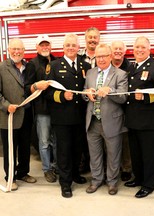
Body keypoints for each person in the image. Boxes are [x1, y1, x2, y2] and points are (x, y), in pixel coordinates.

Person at [45, 33, 91, 198]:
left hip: (80, 116)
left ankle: (74, 175)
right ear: (63, 48)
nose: (71, 48)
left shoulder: (85, 65)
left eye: (74, 45)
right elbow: (48, 93)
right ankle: (65, 183)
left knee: (77, 148)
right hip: (62, 117)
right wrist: (62, 96)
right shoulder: (54, 65)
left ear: (78, 47)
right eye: (68, 45)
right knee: (64, 150)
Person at [124, 36, 154, 198]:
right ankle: (139, 178)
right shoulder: (131, 67)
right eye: (137, 47)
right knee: (136, 153)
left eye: (143, 47)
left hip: (149, 121)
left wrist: (144, 97)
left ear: (149, 48)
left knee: (149, 155)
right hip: (133, 119)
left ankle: (148, 184)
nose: (139, 50)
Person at [84, 43, 128, 195]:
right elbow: (84, 93)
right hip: (93, 120)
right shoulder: (90, 73)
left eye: (104, 56)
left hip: (112, 121)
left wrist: (110, 90)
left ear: (110, 56)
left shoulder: (120, 74)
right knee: (94, 154)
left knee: (113, 154)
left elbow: (123, 98)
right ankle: (96, 180)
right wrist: (86, 93)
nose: (101, 59)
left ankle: (112, 182)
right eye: (98, 56)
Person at [0, 38, 37, 191]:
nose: (17, 52)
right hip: (9, 115)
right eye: (14, 49)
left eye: (19, 49)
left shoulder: (28, 67)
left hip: (27, 114)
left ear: (24, 51)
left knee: (24, 147)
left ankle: (22, 172)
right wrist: (7, 106)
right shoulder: (2, 67)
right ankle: (10, 177)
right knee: (10, 147)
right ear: (8, 50)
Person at [25, 34, 57, 183]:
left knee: (56, 140)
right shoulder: (32, 64)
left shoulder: (57, 61)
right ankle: (47, 169)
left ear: (51, 46)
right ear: (37, 47)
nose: (45, 47)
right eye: (42, 45)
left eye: (47, 45)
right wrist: (37, 85)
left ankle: (57, 166)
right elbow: (27, 87)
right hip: (42, 110)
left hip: (57, 109)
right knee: (44, 142)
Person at [77, 27, 100, 174]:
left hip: (99, 105)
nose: (92, 39)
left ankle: (98, 167)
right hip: (81, 103)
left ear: (99, 39)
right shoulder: (78, 58)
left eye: (95, 37)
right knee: (82, 136)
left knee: (97, 136)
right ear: (85, 39)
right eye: (89, 37)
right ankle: (83, 165)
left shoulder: (104, 56)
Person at [111, 40, 132, 182]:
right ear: (111, 52)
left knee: (125, 141)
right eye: (115, 49)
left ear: (125, 51)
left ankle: (126, 168)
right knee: (111, 139)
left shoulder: (131, 67)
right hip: (111, 108)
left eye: (120, 49)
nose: (118, 51)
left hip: (126, 108)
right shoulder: (106, 66)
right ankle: (114, 167)